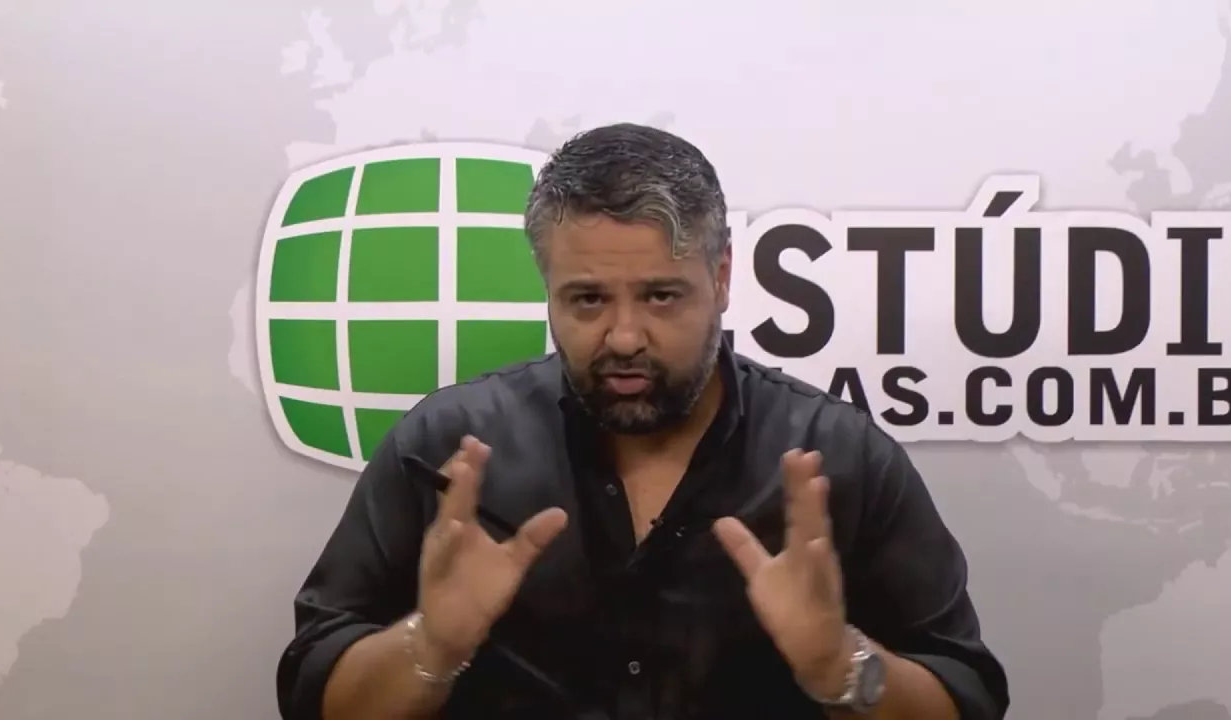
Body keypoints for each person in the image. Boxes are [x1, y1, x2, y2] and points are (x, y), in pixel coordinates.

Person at [275, 123, 1009, 720]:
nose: (624, 337)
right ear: (548, 288)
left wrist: (841, 666)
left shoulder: (840, 458)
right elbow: (316, 696)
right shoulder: (446, 449)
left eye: (661, 296)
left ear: (721, 278)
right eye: (588, 300)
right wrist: (428, 646)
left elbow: (966, 699)